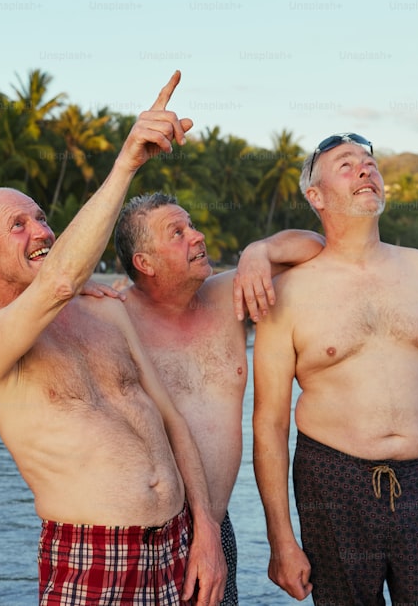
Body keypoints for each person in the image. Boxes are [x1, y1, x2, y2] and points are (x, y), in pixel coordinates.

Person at [0, 71, 226, 605]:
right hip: (91, 554)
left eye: (42, 219)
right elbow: (60, 281)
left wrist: (206, 532)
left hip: (177, 543)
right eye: (17, 225)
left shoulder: (106, 313)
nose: (42, 232)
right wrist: (128, 163)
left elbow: (172, 421)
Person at [252, 133, 418, 604]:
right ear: (316, 196)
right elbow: (269, 422)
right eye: (347, 165)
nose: (366, 170)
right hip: (332, 482)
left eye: (370, 163)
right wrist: (280, 539)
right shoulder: (288, 292)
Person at [113, 192, 325, 604]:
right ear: (145, 263)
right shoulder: (114, 319)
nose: (198, 235)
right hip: (142, 530)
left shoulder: (230, 297)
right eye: (178, 232)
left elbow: (314, 246)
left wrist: (258, 252)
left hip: (217, 522)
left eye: (191, 224)